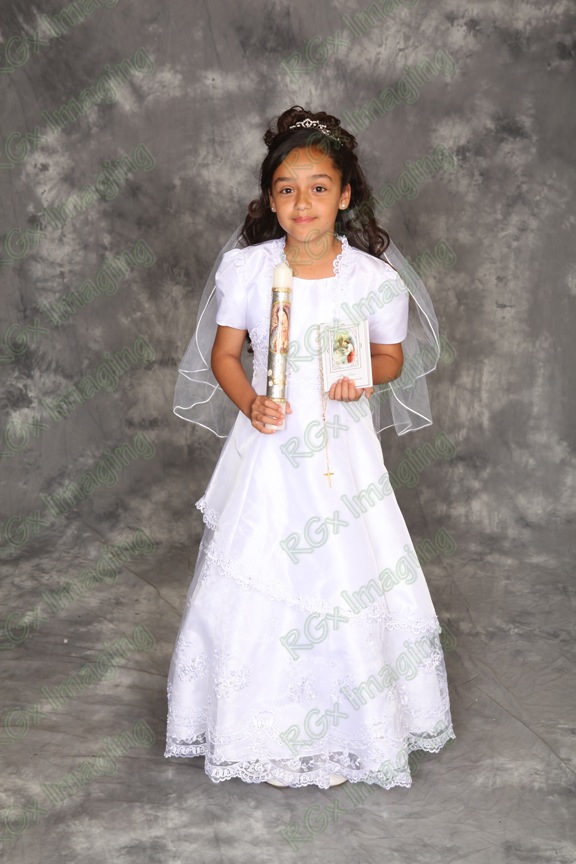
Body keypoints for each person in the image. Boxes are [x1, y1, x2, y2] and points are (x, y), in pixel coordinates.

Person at [165, 106, 455, 789]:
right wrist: (250, 401)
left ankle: (349, 720)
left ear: (345, 195)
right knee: (261, 564)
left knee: (346, 565)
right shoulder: (249, 271)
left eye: (319, 188)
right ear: (271, 200)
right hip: (271, 440)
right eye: (287, 189)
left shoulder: (372, 281)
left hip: (339, 447)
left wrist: (364, 379)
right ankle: (256, 722)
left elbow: (390, 357)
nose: (303, 203)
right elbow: (225, 354)